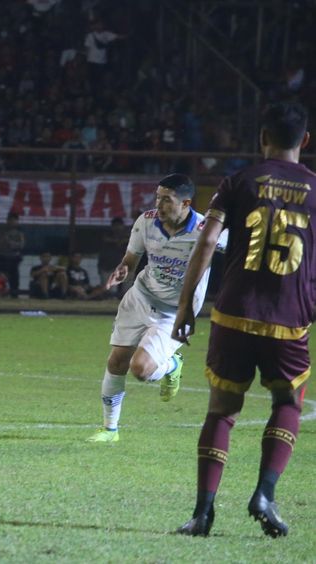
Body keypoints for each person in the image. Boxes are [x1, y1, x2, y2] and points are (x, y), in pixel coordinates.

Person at [171, 101, 314, 537]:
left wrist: (184, 306)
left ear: (262, 138)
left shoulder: (238, 181)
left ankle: (202, 514)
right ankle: (265, 494)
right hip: (289, 316)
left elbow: (209, 241)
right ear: (304, 141)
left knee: (222, 411)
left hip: (233, 312)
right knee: (287, 403)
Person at [86, 174, 226, 443]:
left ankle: (172, 365)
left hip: (176, 311)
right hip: (140, 296)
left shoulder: (206, 229)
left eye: (166, 200)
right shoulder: (146, 221)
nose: (159, 205)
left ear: (186, 203)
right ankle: (109, 429)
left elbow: (240, 251)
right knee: (116, 361)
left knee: (140, 369)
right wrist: (123, 268)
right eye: (157, 197)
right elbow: (132, 257)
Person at [0, 211, 25, 298]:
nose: (12, 222)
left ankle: (14, 296)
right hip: (2, 258)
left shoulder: (20, 232)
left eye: (14, 220)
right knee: (0, 279)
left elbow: (21, 245)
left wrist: (9, 242)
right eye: (10, 220)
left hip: (14, 259)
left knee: (14, 281)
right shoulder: (2, 231)